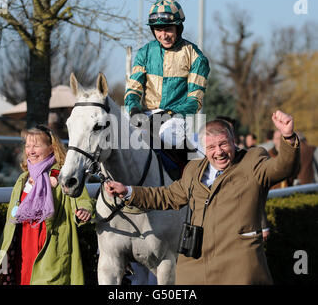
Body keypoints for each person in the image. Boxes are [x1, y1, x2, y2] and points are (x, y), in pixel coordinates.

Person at [105, 110, 300, 284]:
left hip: (239, 266)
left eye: (223, 144)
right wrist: (129, 191)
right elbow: (166, 196)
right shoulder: (193, 169)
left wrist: (288, 137)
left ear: (233, 141)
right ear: (203, 149)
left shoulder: (253, 160)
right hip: (195, 268)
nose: (219, 152)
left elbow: (282, 167)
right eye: (211, 147)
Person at [0, 125, 94, 285]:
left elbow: (82, 199)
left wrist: (85, 210)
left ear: (52, 148)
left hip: (50, 247)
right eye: (27, 146)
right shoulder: (23, 179)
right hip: (22, 248)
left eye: (36, 146)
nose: (30, 151)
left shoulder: (64, 175)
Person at [124, 0, 210, 153]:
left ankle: (184, 175)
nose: (163, 35)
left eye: (168, 29)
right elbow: (133, 90)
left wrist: (169, 114)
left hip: (176, 119)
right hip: (145, 114)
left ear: (178, 28)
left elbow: (194, 101)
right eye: (158, 30)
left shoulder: (196, 57)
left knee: (167, 137)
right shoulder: (145, 52)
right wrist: (134, 110)